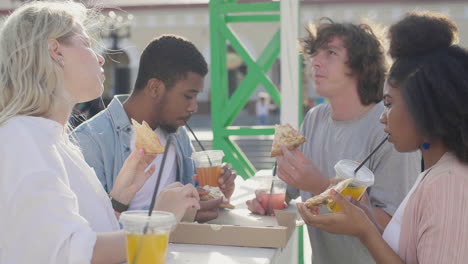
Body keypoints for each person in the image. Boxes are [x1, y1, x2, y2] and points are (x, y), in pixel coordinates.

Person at [0, 2, 201, 263]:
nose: (100, 57)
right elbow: (69, 253)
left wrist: (117, 201)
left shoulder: (47, 138)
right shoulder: (22, 139)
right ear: (55, 51)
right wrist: (162, 220)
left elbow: (72, 233)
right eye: (86, 43)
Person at [298, 11, 468, 263]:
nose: (382, 117)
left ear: (423, 108)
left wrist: (364, 231)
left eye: (389, 104)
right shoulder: (436, 173)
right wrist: (364, 214)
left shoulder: (448, 183)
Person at [247, 18, 421, 263]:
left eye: (331, 53)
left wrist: (321, 187)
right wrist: (269, 200)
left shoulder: (390, 127)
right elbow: (291, 190)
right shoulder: (315, 118)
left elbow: (396, 224)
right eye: (315, 53)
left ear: (361, 65)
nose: (315, 61)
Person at [73, 35, 237, 222]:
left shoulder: (177, 133)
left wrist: (217, 193)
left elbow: (192, 198)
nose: (193, 107)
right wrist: (169, 218)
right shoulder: (89, 141)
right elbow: (94, 228)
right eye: (187, 96)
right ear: (154, 88)